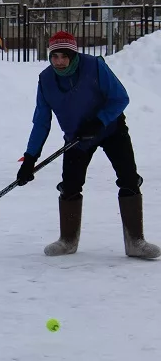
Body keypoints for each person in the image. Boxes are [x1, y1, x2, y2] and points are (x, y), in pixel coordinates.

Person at [16, 30, 159, 259]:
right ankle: (67, 241)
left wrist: (99, 121)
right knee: (70, 185)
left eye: (64, 56)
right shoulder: (45, 80)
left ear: (73, 55)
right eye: (55, 56)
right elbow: (41, 122)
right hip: (76, 139)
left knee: (129, 179)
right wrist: (30, 159)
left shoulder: (95, 66)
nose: (60, 61)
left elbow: (121, 97)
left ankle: (135, 242)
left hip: (111, 129)